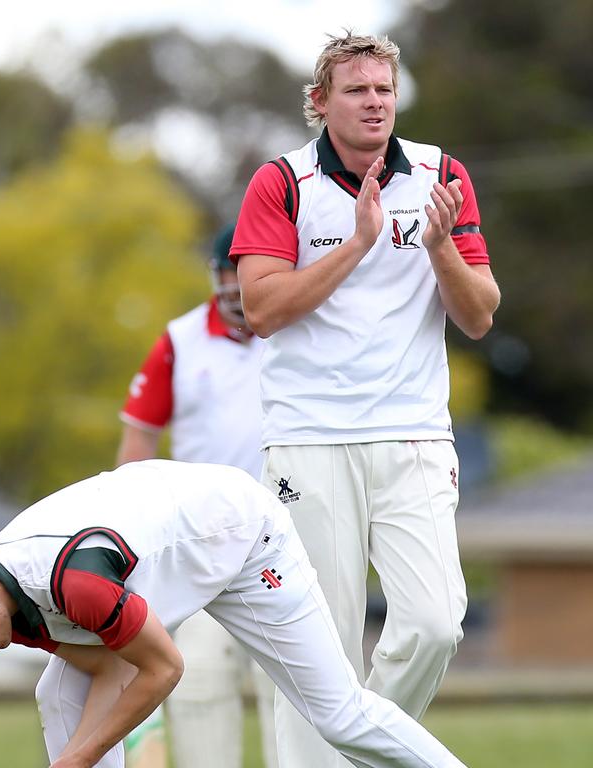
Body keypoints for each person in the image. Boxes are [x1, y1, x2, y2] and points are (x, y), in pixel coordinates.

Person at [229, 32, 500, 768]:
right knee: (318, 643)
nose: (375, 101)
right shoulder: (280, 183)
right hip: (309, 441)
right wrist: (355, 245)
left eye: (384, 88)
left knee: (436, 622)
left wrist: (441, 245)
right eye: (356, 90)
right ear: (320, 104)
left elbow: (478, 316)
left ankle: (354, 755)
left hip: (414, 436)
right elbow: (260, 310)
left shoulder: (442, 174)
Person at [0, 460, 470, 768]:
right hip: (159, 552)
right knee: (56, 695)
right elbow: (105, 668)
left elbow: (163, 670)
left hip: (241, 538)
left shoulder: (71, 582)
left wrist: (80, 757)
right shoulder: (6, 601)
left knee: (339, 717)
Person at [116, 224, 277, 768]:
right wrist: (127, 529)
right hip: (201, 543)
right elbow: (139, 433)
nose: (236, 292)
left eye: (246, 277)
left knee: (295, 691)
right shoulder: (181, 340)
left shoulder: (298, 327)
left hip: (287, 536)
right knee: (199, 681)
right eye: (227, 279)